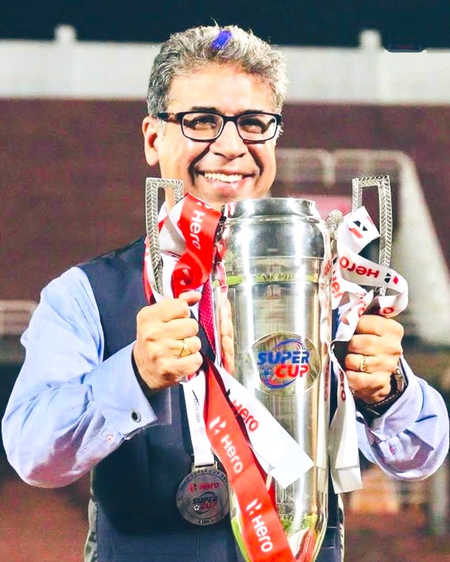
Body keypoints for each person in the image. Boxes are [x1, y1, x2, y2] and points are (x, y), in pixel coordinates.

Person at [2, 24, 449, 562]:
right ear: (153, 138)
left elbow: (420, 455)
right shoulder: (87, 295)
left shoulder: (328, 285)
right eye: (201, 121)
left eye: (254, 123)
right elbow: (33, 455)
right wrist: (134, 373)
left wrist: (388, 391)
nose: (232, 146)